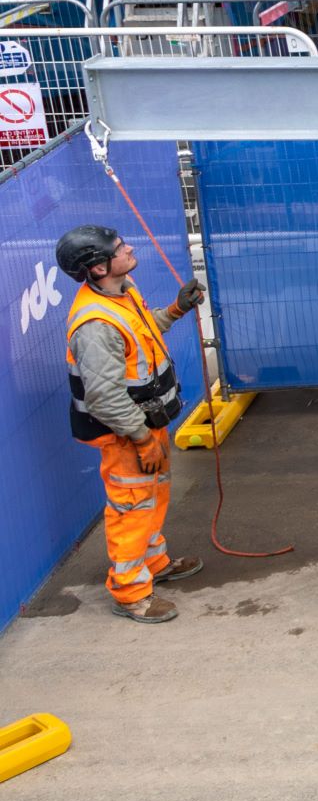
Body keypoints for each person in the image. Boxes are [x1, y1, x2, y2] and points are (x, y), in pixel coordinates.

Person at [58, 223, 206, 624]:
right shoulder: (95, 326)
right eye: (119, 248)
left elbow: (143, 333)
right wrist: (142, 439)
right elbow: (104, 398)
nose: (129, 249)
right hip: (125, 434)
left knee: (153, 496)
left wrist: (176, 310)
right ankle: (130, 593)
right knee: (131, 507)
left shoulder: (123, 291)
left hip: (145, 424)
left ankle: (153, 562)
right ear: (97, 268)